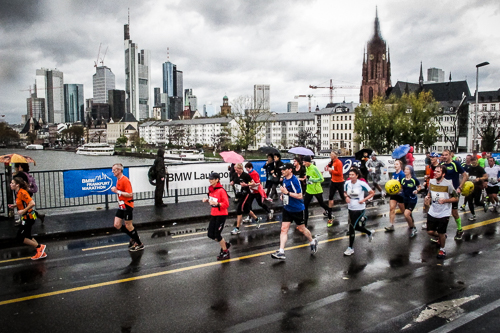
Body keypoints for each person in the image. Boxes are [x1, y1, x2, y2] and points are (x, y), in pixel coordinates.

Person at [271, 163, 318, 260]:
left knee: (302, 229)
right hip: (287, 208)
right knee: (284, 229)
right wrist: (283, 195)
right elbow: (285, 191)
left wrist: (287, 193)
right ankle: (281, 251)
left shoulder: (295, 181)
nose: (282, 171)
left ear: (290, 170)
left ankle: (312, 241)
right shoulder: (284, 179)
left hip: (297, 209)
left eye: (284, 170)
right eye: (282, 170)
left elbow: (300, 195)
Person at [424, 165, 459, 259]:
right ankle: (442, 236)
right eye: (435, 171)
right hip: (433, 211)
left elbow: (456, 198)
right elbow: (429, 193)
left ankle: (442, 250)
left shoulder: (448, 184)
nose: (435, 173)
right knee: (430, 231)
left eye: (438, 172)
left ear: (443, 174)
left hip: (444, 212)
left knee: (441, 232)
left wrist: (445, 200)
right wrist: (428, 198)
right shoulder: (431, 182)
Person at [8, 177, 47, 260]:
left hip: (29, 217)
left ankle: (39, 247)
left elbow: (32, 203)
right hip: (27, 217)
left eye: (12, 183)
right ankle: (41, 252)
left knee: (20, 237)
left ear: (17, 185)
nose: (10, 184)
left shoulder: (22, 192)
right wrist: (14, 206)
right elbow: (23, 202)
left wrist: (23, 211)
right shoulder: (18, 193)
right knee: (28, 236)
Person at [111, 163, 144, 252]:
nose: (112, 171)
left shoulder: (125, 180)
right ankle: (133, 237)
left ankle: (139, 243)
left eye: (114, 170)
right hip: (121, 205)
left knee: (128, 225)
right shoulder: (118, 180)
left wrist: (117, 191)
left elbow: (130, 194)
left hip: (128, 205)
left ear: (119, 170)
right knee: (117, 224)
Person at [343, 168, 375, 256]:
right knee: (356, 226)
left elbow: (372, 193)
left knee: (352, 226)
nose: (351, 176)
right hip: (350, 207)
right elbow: (345, 192)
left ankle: (350, 248)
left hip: (359, 207)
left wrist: (364, 200)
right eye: (349, 175)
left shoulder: (361, 184)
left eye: (353, 175)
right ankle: (369, 232)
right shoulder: (347, 183)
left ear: (357, 175)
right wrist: (346, 197)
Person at [440, 149, 469, 240]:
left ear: (450, 155)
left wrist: (460, 187)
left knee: (454, 212)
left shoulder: (455, 164)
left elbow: (465, 175)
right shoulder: (441, 165)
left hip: (454, 192)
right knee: (443, 212)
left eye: (446, 155)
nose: (444, 156)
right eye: (443, 155)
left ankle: (460, 230)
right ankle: (442, 233)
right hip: (444, 192)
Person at [202, 172, 231, 260]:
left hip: (221, 214)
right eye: (209, 179)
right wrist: (207, 200)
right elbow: (212, 200)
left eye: (212, 179)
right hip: (214, 213)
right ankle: (224, 244)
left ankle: (225, 251)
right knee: (211, 234)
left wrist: (217, 204)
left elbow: (226, 204)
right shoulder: (211, 189)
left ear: (217, 180)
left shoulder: (221, 190)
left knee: (217, 235)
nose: (210, 181)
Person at [230, 163, 261, 234]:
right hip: (239, 194)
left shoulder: (246, 175)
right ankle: (257, 219)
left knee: (239, 209)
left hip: (246, 193)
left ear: (241, 169)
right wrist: (232, 182)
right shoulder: (235, 174)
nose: (236, 171)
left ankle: (237, 228)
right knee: (246, 209)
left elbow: (253, 183)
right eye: (235, 170)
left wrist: (246, 185)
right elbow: (234, 181)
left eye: (237, 170)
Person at [303, 155, 332, 227]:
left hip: (316, 190)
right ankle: (305, 223)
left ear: (308, 162)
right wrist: (306, 178)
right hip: (309, 190)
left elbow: (321, 179)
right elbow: (309, 177)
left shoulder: (314, 168)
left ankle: (330, 215)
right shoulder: (306, 167)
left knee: (321, 204)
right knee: (305, 205)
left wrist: (312, 179)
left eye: (304, 162)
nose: (303, 164)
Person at [462, 156, 487, 220]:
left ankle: (483, 204)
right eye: (472, 160)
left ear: (477, 160)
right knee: (470, 201)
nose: (473, 162)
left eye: (474, 160)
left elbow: (485, 177)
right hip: (470, 187)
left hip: (477, 187)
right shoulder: (469, 168)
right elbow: (467, 176)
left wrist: (479, 178)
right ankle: (473, 215)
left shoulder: (480, 168)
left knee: (476, 202)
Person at [324, 151, 345, 226]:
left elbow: (339, 172)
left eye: (332, 155)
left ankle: (351, 207)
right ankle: (329, 213)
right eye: (330, 155)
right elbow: (331, 172)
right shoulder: (332, 162)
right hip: (333, 181)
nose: (331, 156)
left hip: (339, 181)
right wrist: (329, 170)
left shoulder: (338, 162)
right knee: (330, 197)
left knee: (342, 196)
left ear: (336, 155)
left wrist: (331, 170)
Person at [385, 160, 405, 232]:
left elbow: (403, 184)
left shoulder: (402, 174)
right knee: (392, 208)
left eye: (397, 164)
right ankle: (391, 225)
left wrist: (399, 190)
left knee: (403, 211)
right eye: (394, 164)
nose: (395, 165)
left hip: (400, 194)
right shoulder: (393, 174)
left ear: (400, 165)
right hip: (393, 195)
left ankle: (410, 222)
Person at [401, 165, 421, 238]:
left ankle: (414, 228)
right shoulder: (403, 179)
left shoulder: (414, 179)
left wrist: (417, 190)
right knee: (409, 215)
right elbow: (401, 188)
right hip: (405, 199)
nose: (405, 170)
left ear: (410, 171)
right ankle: (412, 226)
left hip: (412, 199)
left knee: (406, 214)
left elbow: (419, 186)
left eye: (407, 169)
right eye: (405, 169)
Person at [422, 152, 440, 229]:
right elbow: (430, 176)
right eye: (431, 157)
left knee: (436, 206)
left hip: (437, 189)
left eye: (433, 157)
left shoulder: (439, 167)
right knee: (426, 204)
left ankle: (436, 223)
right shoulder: (430, 166)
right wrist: (426, 180)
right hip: (430, 188)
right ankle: (428, 222)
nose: (431, 158)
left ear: (437, 158)